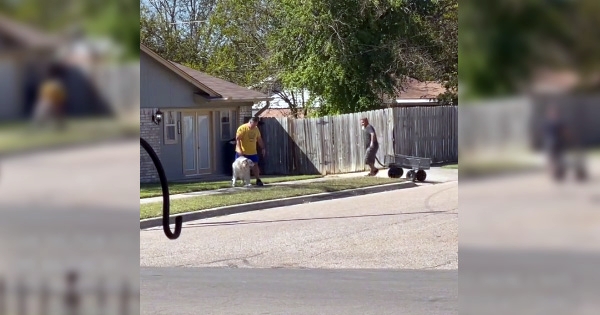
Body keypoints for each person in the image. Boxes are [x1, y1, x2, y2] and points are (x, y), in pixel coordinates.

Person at [235, 117, 266, 186]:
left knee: (255, 165)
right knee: (242, 166)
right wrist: (240, 150)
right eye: (253, 125)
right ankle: (242, 181)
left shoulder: (256, 129)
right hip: (243, 151)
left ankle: (258, 180)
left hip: (252, 151)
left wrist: (263, 148)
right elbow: (238, 140)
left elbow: (259, 139)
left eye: (256, 125)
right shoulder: (242, 128)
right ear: (250, 122)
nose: (254, 126)